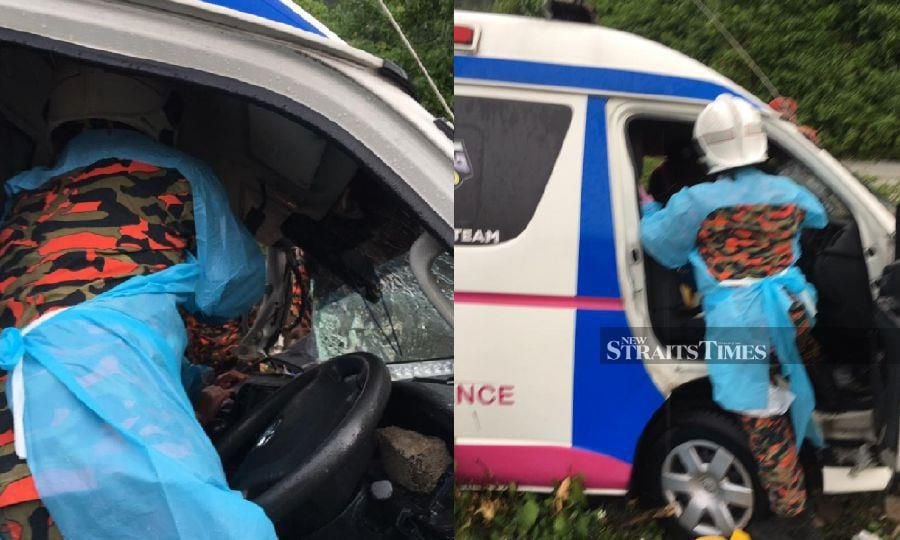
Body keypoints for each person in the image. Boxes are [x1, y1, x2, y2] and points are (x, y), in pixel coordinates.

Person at [0, 64, 275, 538]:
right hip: (93, 414)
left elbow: (90, 315)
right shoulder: (175, 171)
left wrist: (194, 392)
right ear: (159, 115)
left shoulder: (19, 193)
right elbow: (231, 287)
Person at [640, 94, 826, 539]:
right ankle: (814, 448)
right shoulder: (789, 193)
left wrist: (648, 204)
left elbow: (660, 246)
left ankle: (792, 510)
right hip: (792, 310)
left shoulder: (694, 202)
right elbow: (818, 216)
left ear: (707, 150)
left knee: (761, 420)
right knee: (796, 379)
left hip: (739, 321)